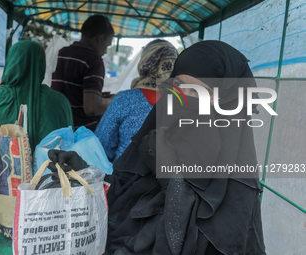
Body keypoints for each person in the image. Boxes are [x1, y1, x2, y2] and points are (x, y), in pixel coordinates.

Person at [48, 40, 266, 255]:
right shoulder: (161, 135)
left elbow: (191, 241)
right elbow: (124, 192)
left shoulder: (236, 183)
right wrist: (85, 173)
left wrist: (170, 177)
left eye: (199, 93)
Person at [0, 40, 73, 153]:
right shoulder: (59, 103)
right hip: (47, 170)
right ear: (41, 66)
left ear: (10, 63)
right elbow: (67, 146)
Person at [95, 39, 178, 163]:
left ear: (145, 62)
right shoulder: (187, 104)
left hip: (123, 179)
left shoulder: (125, 100)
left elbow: (101, 147)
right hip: (169, 180)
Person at [51, 15, 114, 131]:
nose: (105, 51)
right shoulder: (93, 60)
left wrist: (99, 96)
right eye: (107, 45)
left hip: (58, 127)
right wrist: (116, 100)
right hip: (81, 133)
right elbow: (92, 108)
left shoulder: (62, 53)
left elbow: (71, 91)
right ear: (100, 39)